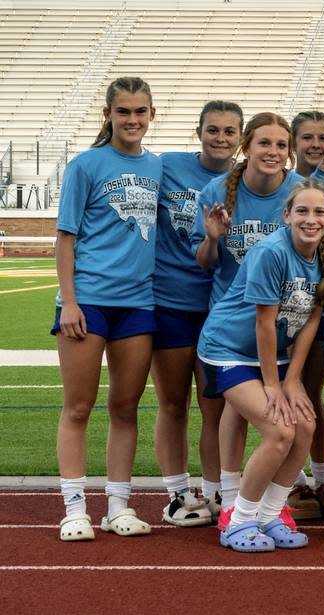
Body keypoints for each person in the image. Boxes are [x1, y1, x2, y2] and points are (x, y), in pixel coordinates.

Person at [198, 179, 324, 552]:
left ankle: (270, 513)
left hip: (275, 355)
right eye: (301, 211)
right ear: (286, 215)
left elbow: (311, 319)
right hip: (228, 349)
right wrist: (273, 384)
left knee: (306, 425)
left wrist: (293, 378)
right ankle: (239, 519)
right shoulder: (270, 252)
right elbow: (264, 322)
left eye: (318, 212)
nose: (310, 219)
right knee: (280, 431)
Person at [55, 77, 162, 542]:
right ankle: (74, 507)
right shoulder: (86, 165)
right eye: (124, 112)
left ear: (151, 115)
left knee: (125, 407)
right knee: (78, 407)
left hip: (137, 303)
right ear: (108, 115)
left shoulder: (158, 167)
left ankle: (118, 505)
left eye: (140, 112)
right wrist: (71, 302)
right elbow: (66, 238)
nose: (133, 120)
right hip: (88, 303)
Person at [191, 111, 302, 514]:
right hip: (233, 321)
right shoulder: (216, 191)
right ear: (246, 147)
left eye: (280, 145)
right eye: (264, 143)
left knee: (290, 417)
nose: (272, 151)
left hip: (283, 323)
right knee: (233, 412)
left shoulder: (299, 192)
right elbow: (204, 262)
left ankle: (265, 499)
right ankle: (229, 495)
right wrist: (211, 237)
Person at [152, 100, 243, 527]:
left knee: (216, 408)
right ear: (199, 131)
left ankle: (213, 493)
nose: (220, 138)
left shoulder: (244, 180)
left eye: (229, 131)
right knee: (172, 403)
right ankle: (176, 495)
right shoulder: (165, 166)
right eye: (213, 129)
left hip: (220, 308)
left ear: (240, 138)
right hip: (171, 299)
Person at [287, 110, 324, 520]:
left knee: (312, 394)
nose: (315, 143)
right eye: (306, 137)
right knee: (289, 396)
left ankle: (322, 477)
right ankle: (292, 480)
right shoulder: (285, 187)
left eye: (322, 136)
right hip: (285, 308)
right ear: (294, 143)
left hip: (323, 303)